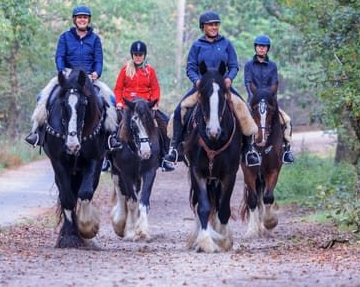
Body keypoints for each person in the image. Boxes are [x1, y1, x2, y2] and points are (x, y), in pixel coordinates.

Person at [164, 10, 260, 167]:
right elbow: (191, 68)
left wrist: (229, 78)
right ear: (203, 27)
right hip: (202, 88)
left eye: (216, 24)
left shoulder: (226, 44)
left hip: (223, 88)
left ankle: (249, 150)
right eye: (211, 25)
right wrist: (197, 81)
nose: (214, 27)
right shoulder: (197, 46)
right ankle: (174, 148)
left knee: (244, 108)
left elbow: (234, 65)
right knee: (179, 110)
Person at [25, 5, 117, 147]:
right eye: (80, 17)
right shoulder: (65, 37)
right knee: (41, 96)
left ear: (88, 20)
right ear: (75, 20)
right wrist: (61, 70)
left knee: (110, 98)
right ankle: (37, 133)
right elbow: (59, 56)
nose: (82, 20)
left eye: (85, 17)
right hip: (68, 75)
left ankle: (111, 137)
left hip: (87, 77)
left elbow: (98, 60)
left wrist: (96, 73)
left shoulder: (95, 39)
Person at [106, 40, 175, 172]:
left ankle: (164, 158)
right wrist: (119, 102)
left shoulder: (150, 71)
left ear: (144, 55)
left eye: (140, 54)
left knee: (164, 123)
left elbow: (155, 89)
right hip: (129, 105)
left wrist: (155, 103)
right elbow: (118, 88)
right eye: (136, 54)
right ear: (132, 55)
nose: (138, 57)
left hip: (146, 106)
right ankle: (107, 159)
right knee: (111, 125)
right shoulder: (125, 70)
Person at [244, 35, 294, 164]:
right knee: (241, 122)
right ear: (255, 48)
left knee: (287, 121)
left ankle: (286, 149)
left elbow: (274, 84)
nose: (261, 49)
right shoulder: (249, 65)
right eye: (259, 46)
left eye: (264, 47)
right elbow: (248, 82)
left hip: (269, 101)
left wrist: (271, 100)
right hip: (253, 101)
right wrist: (252, 98)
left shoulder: (272, 66)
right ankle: (246, 150)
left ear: (267, 49)